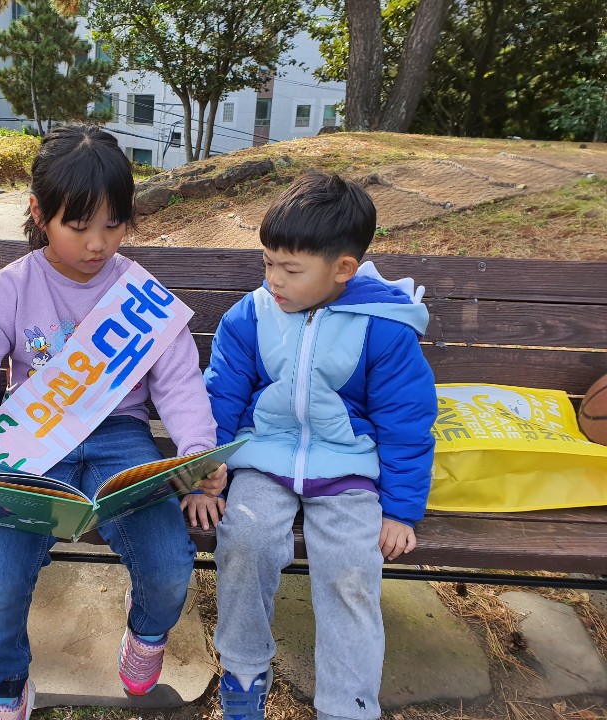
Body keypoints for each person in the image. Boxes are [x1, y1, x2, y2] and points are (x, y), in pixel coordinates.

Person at [0, 124, 225, 720]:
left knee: (169, 563)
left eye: (114, 225)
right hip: (35, 442)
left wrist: (198, 450)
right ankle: (2, 686)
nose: (98, 244)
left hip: (121, 438)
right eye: (78, 225)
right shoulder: (11, 288)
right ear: (39, 213)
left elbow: (179, 381)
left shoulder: (139, 295)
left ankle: (147, 633)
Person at [195, 172, 438, 720]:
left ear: (343, 269)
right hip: (263, 461)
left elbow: (406, 422)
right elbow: (221, 396)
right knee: (246, 541)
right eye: (267, 263)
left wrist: (400, 510)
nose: (273, 279)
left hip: (347, 469)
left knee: (351, 569)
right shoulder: (251, 315)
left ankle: (347, 703)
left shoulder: (384, 329)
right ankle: (244, 669)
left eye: (291, 269)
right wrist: (206, 473)